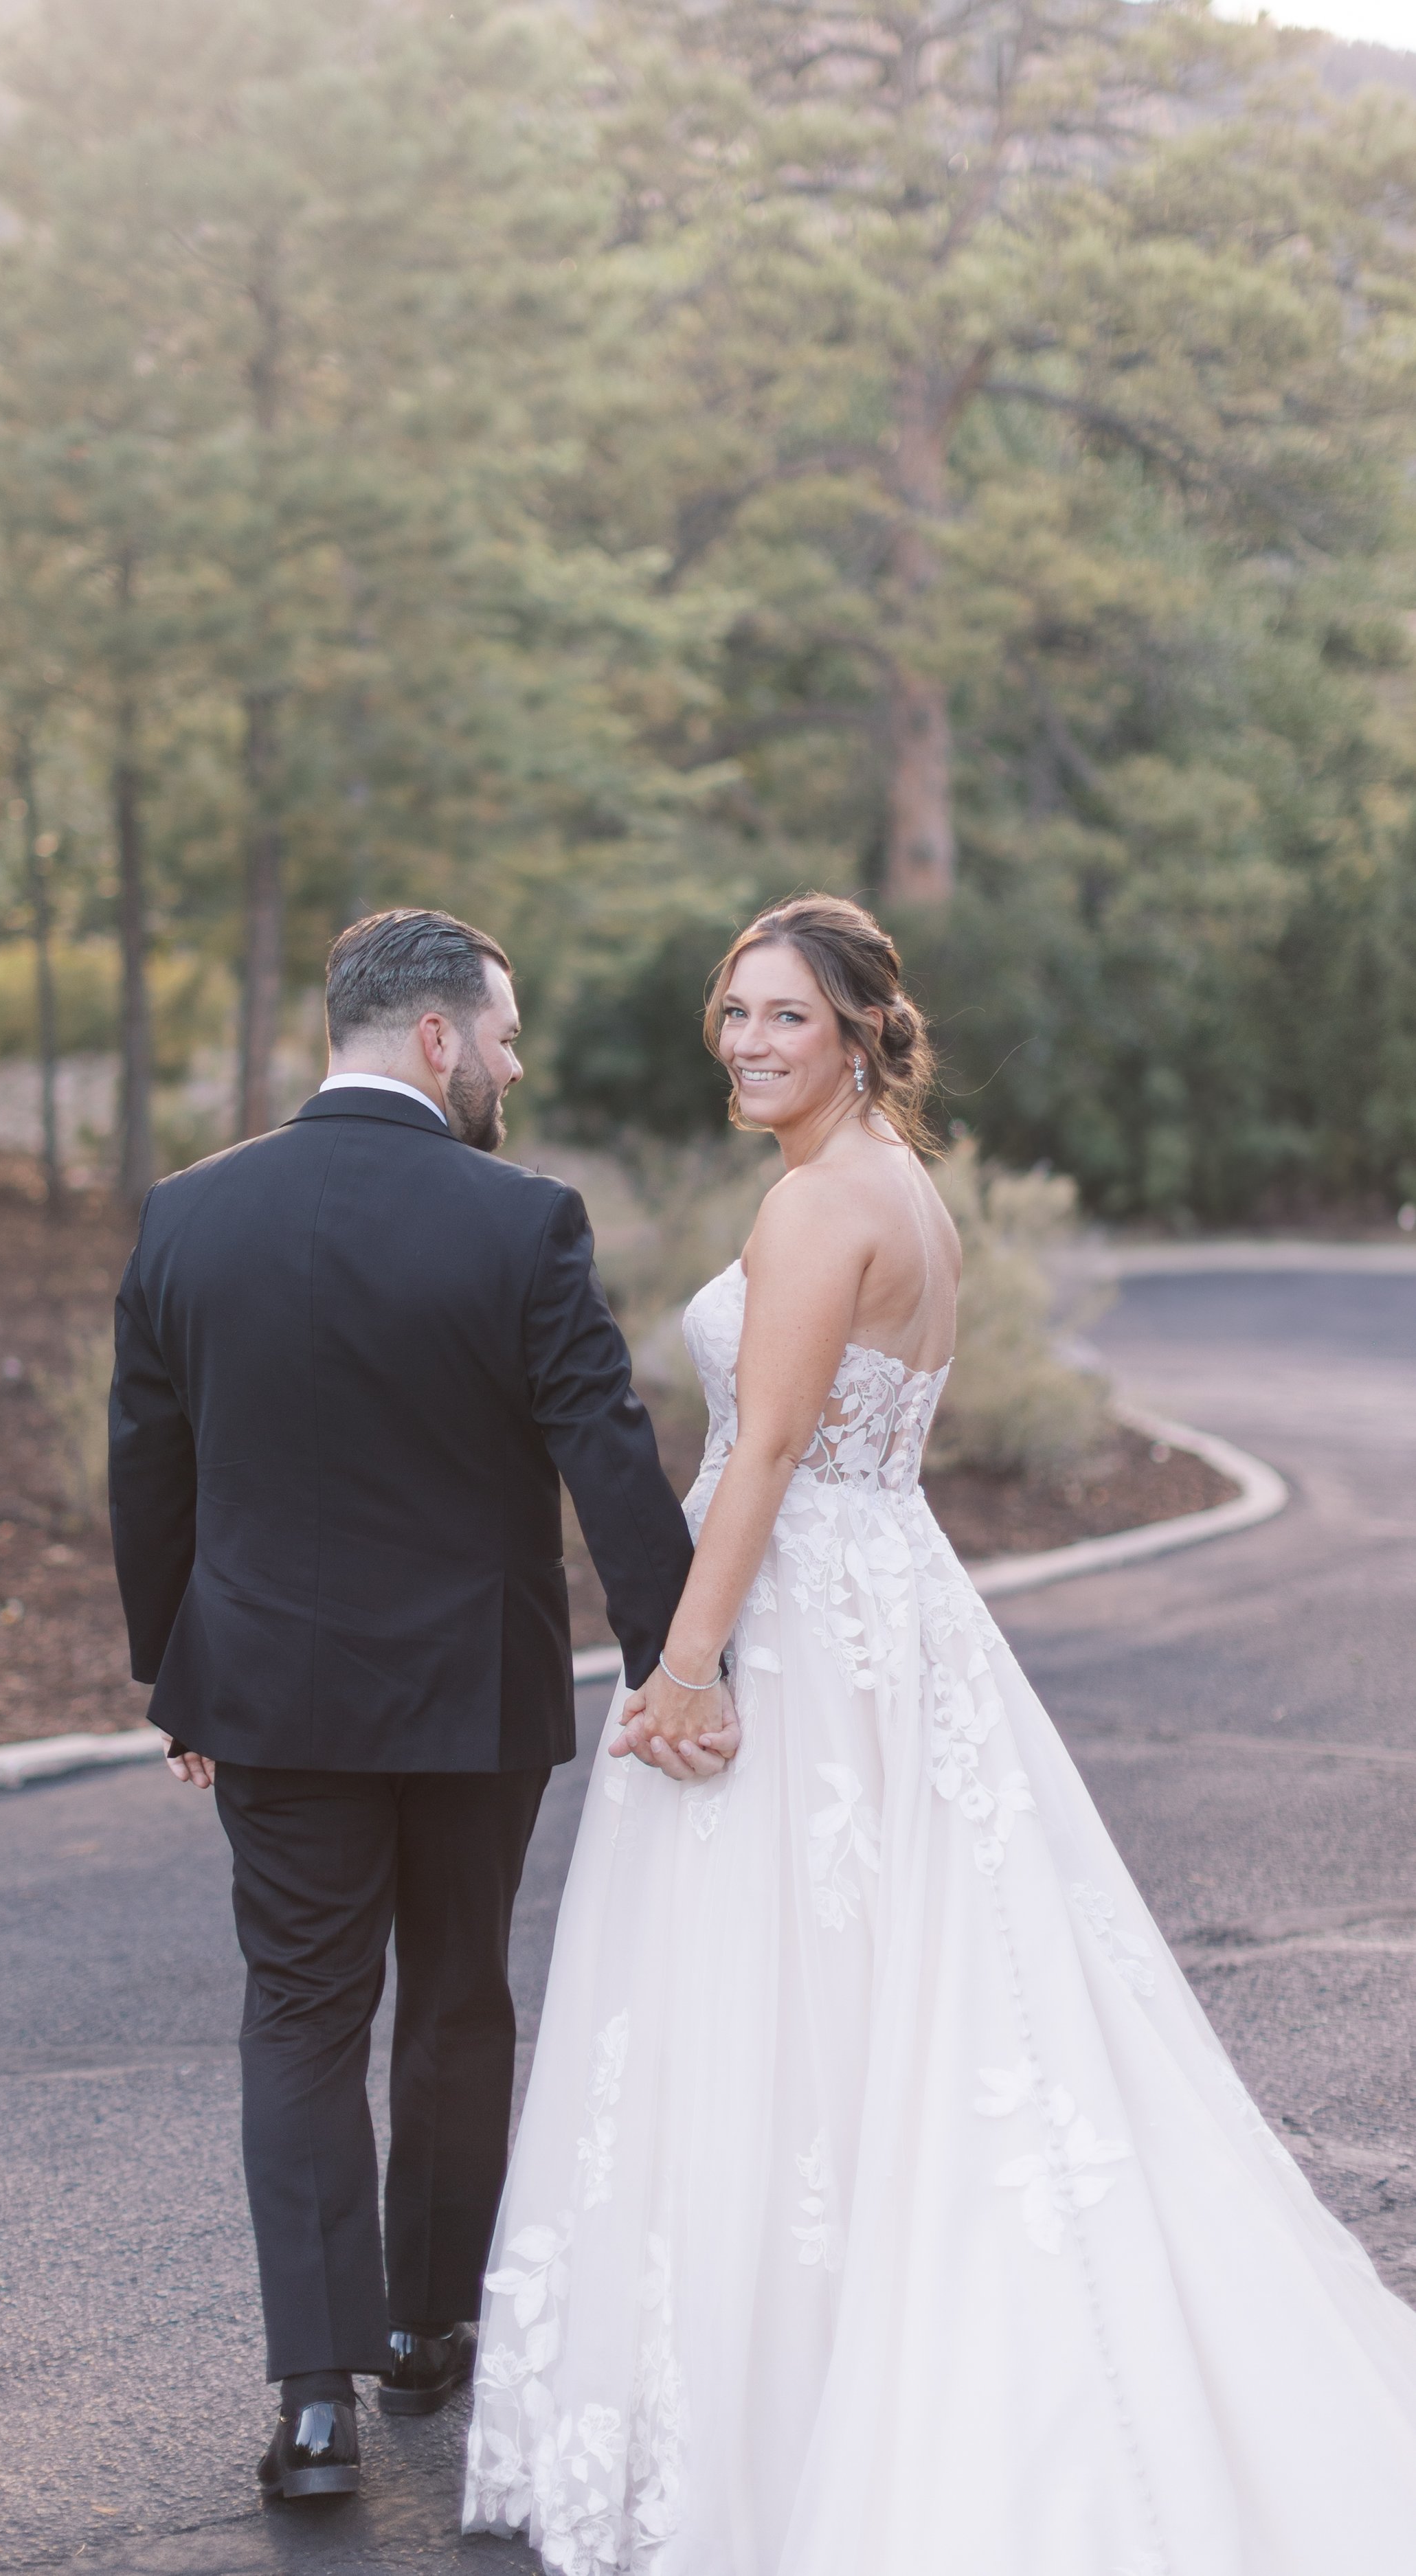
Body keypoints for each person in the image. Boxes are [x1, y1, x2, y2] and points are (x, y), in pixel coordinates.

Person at [464, 892, 1416, 2575]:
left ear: (856, 1035)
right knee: (886, 1985)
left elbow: (757, 1459)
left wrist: (684, 1664)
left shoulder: (816, 1209)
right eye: (735, 1016)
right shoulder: (901, 1191)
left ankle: (789, 2400)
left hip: (794, 1615)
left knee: (774, 1995)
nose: (748, 1046)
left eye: (783, 1019)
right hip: (884, 1597)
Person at [108, 907, 695, 2503]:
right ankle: (432, 2327)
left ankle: (311, 2404)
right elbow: (607, 1453)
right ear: (435, 1039)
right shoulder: (520, 1223)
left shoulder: (185, 1217)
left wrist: (179, 1676)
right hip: (468, 1699)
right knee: (453, 2004)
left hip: (269, 1699)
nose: (511, 1064)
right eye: (501, 1036)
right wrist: (679, 1660)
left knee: (298, 2018)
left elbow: (147, 1472)